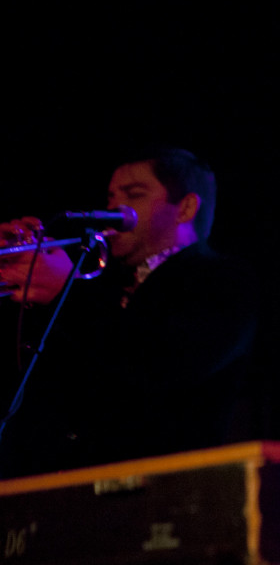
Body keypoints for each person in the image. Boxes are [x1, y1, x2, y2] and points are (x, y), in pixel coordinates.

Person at [0, 146, 259, 479]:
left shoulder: (224, 280)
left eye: (134, 194)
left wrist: (65, 292)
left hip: (161, 486)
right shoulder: (104, 284)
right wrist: (26, 282)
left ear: (185, 208)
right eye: (111, 197)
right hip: (58, 482)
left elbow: (158, 366)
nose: (114, 208)